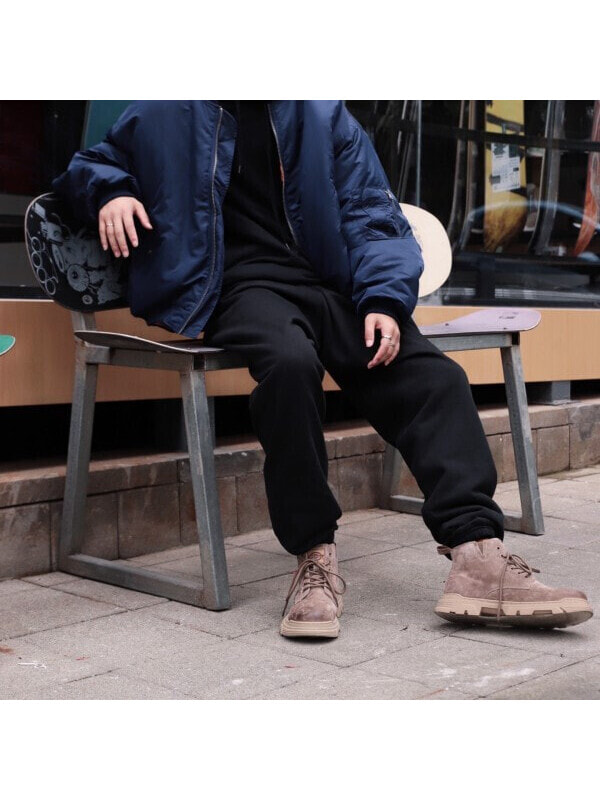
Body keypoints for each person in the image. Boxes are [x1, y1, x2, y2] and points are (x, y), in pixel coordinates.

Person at [53, 100, 593, 638]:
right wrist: (112, 191)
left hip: (329, 286)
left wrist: (383, 299)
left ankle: (476, 553)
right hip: (240, 290)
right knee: (289, 366)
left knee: (433, 377)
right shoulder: (163, 110)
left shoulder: (321, 115)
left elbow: (372, 212)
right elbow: (87, 167)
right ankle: (314, 556)